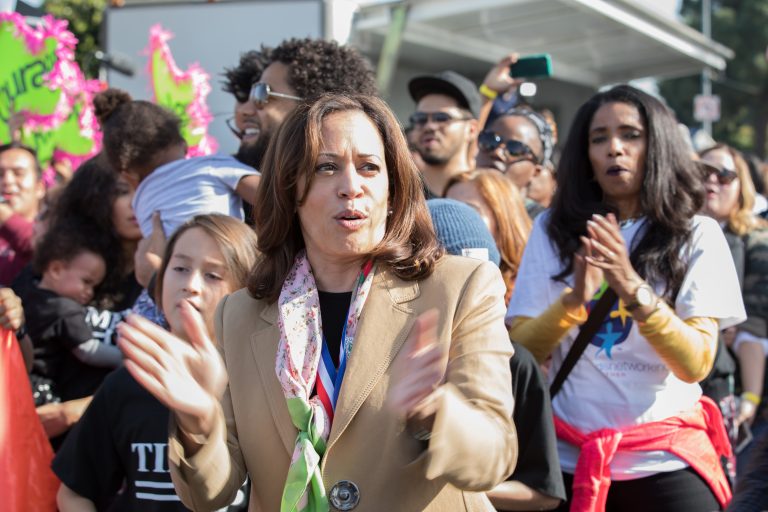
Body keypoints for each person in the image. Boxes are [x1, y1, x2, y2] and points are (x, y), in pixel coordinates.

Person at [118, 93, 517, 511]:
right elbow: (209, 495)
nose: (351, 186)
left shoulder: (460, 287)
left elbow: (495, 457)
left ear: (393, 187)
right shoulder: (238, 314)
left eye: (369, 167)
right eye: (326, 168)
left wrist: (435, 412)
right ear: (290, 189)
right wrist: (199, 424)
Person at [507, 85, 745, 511]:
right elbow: (521, 349)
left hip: (664, 460)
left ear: (658, 144)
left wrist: (628, 283)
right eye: (599, 138)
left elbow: (695, 364)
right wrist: (574, 301)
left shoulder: (697, 234)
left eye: (630, 135)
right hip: (567, 460)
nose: (614, 148)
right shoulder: (552, 229)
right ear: (585, 156)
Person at [54, 214, 258, 512]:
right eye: (180, 267)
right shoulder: (128, 382)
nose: (190, 284)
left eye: (213, 275)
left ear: (248, 291)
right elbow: (72, 493)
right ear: (160, 283)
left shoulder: (268, 385)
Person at [15, 154, 144, 440]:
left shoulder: (165, 278)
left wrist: (77, 410)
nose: (136, 201)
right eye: (123, 192)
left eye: (145, 188)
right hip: (44, 435)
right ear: (94, 199)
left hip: (114, 436)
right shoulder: (58, 268)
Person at [699, 143, 768, 466]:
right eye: (703, 172)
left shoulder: (758, 241)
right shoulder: (672, 234)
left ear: (742, 186)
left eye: (724, 175)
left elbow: (751, 326)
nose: (712, 181)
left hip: (744, 391)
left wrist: (750, 399)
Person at [222, 39, 378, 171]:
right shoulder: (217, 185)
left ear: (314, 109)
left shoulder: (351, 196)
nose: (244, 111)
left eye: (262, 93)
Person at [20, 219, 120, 410]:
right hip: (40, 388)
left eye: (95, 286)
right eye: (87, 281)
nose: (90, 292)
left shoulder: (26, 289)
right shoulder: (65, 309)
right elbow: (88, 350)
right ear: (56, 270)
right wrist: (124, 358)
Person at [445, 170, 531, 303]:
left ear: (503, 220)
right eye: (447, 211)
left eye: (469, 210)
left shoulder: (528, 289)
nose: (455, 221)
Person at [407, 70, 481, 198]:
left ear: (471, 130)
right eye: (421, 118)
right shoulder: (397, 198)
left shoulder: (485, 199)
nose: (429, 126)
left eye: (442, 118)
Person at [476, 107, 554, 217]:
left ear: (536, 171)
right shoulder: (451, 202)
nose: (497, 152)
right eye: (489, 140)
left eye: (515, 149)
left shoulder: (543, 227)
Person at [0, 142, 45, 285]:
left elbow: (43, 248)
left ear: (39, 188)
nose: (7, 181)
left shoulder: (54, 228)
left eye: (18, 173)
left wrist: (6, 218)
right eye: (0, 174)